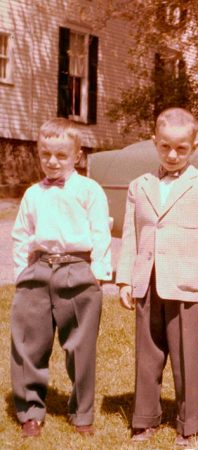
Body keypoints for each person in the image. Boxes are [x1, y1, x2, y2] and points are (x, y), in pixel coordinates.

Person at [116, 107, 198, 448]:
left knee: (186, 357)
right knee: (148, 355)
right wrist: (125, 279)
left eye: (181, 148)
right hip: (147, 281)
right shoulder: (140, 186)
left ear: (194, 146)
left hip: (187, 284)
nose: (172, 154)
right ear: (155, 142)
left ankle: (188, 425)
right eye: (165, 146)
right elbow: (131, 235)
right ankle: (145, 419)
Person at [10, 118, 112, 438]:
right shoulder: (32, 194)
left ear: (77, 156)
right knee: (29, 344)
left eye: (61, 155)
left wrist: (98, 275)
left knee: (79, 345)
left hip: (77, 270)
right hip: (38, 270)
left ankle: (81, 413)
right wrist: (22, 274)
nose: (52, 162)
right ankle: (30, 411)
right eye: (45, 155)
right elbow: (21, 236)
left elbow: (100, 232)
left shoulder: (90, 190)